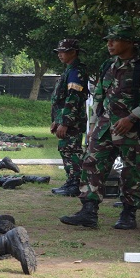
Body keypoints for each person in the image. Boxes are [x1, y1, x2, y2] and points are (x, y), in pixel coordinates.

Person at [60, 24, 140, 230]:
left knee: (132, 170)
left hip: (133, 129)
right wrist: (93, 124)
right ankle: (88, 211)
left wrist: (132, 117)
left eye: (115, 39)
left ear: (130, 42)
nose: (109, 44)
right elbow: (99, 95)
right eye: (108, 40)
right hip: (105, 126)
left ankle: (128, 213)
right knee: (92, 162)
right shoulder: (108, 64)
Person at [49, 38, 89, 196]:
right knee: (66, 149)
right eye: (58, 51)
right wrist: (57, 121)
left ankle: (75, 183)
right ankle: (72, 181)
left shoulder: (76, 71)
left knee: (72, 150)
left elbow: (73, 98)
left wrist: (65, 123)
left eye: (63, 51)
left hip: (72, 121)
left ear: (73, 52)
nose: (60, 54)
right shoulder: (69, 70)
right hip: (66, 119)